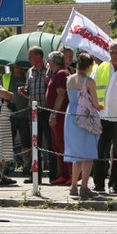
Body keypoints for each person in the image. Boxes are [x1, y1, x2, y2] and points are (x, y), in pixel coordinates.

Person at [91, 39, 117, 194]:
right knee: (100, 152)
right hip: (102, 116)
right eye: (111, 52)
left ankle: (114, 185)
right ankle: (98, 184)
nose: (113, 56)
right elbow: (90, 84)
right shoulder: (103, 67)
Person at [64, 53, 102, 200]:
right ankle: (84, 187)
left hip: (71, 114)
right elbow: (95, 103)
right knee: (88, 153)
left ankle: (74, 185)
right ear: (88, 66)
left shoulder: (69, 79)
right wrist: (100, 106)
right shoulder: (89, 81)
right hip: (85, 116)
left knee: (77, 154)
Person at [18, 46, 51, 184]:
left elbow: (51, 87)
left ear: (38, 56)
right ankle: (35, 174)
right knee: (34, 142)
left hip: (47, 110)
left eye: (31, 56)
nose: (29, 59)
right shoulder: (30, 71)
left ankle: (54, 174)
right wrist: (23, 92)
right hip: (34, 112)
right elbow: (29, 92)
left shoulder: (48, 69)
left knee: (49, 142)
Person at [45, 50, 71, 185]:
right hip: (57, 114)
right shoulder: (56, 74)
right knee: (57, 145)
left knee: (63, 144)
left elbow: (61, 95)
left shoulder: (61, 74)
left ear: (54, 62)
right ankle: (65, 174)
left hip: (60, 115)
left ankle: (71, 173)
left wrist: (54, 114)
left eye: (49, 62)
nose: (48, 64)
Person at [3, 62, 31, 175]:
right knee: (8, 141)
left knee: (26, 142)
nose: (18, 67)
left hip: (25, 115)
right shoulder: (6, 77)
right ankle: (7, 166)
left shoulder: (28, 76)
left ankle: (26, 166)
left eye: (20, 65)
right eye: (16, 65)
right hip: (10, 115)